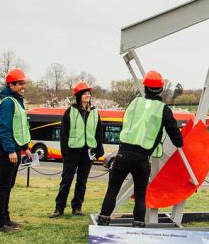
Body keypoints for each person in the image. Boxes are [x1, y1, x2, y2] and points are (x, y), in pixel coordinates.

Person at [98, 70, 184, 227]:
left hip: (122, 154)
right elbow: (178, 141)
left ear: (144, 87)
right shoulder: (163, 109)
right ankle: (138, 227)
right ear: (161, 89)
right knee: (140, 195)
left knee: (112, 190)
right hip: (142, 159)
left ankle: (102, 223)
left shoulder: (134, 103)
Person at [51, 81, 104, 218]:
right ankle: (59, 208)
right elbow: (64, 133)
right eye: (85, 93)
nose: (87, 95)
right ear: (79, 96)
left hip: (88, 152)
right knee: (66, 180)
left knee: (82, 181)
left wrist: (99, 149)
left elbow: (99, 132)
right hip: (72, 151)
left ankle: (77, 207)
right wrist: (65, 152)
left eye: (89, 93)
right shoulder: (70, 112)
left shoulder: (94, 112)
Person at [0, 67, 30, 233]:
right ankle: (0, 223)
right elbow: (5, 129)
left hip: (15, 148)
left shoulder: (16, 100)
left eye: (24, 83)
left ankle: (6, 219)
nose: (23, 86)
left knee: (8, 185)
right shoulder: (8, 102)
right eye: (20, 83)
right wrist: (10, 151)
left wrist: (25, 148)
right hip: (9, 149)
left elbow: (20, 127)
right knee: (3, 186)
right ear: (11, 84)